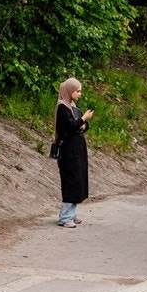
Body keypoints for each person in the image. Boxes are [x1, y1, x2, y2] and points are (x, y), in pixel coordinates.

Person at [53, 77, 93, 227]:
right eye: (77, 91)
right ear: (69, 91)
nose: (79, 94)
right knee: (71, 180)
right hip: (68, 150)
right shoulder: (62, 107)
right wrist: (83, 119)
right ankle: (65, 218)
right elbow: (70, 127)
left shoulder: (73, 106)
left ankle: (71, 213)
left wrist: (83, 123)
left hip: (77, 150)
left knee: (78, 180)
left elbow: (81, 125)